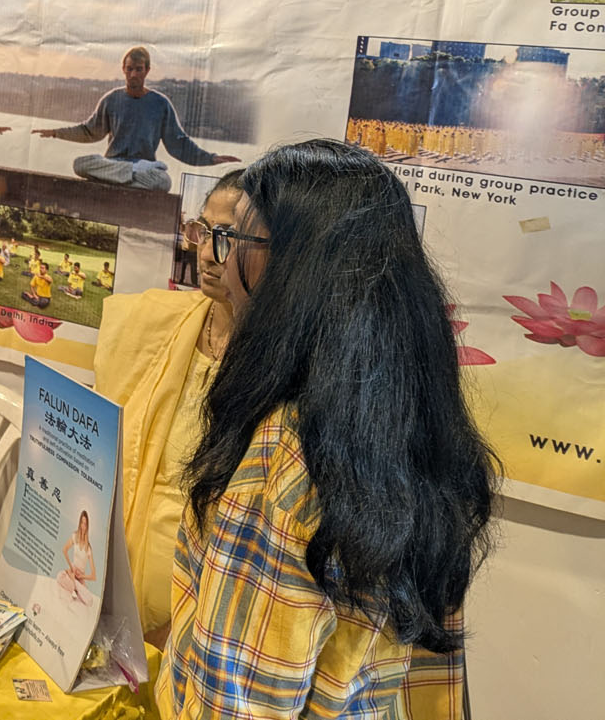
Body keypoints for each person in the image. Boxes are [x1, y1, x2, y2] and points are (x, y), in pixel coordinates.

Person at [158, 141, 496, 719]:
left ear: (296, 269)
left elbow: (233, 706)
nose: (219, 263)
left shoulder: (284, 453)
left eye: (234, 241)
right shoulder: (407, 417)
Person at [94, 171, 243, 642]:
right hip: (117, 585)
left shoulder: (271, 367)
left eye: (226, 237)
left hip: (206, 620)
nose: (206, 252)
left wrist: (181, 632)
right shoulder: (158, 322)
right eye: (203, 231)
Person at [33, 47, 238, 191]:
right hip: (115, 163)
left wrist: (211, 158)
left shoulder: (160, 104)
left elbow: (178, 144)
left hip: (143, 167)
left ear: (147, 71)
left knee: (163, 182)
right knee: (79, 164)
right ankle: (128, 173)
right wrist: (56, 133)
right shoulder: (112, 99)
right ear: (123, 69)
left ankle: (122, 176)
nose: (133, 74)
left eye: (138, 69)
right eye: (129, 68)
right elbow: (89, 131)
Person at [57, 511, 98, 605]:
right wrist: (71, 567)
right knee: (59, 576)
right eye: (82, 523)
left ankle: (75, 586)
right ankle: (76, 588)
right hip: (73, 570)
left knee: (90, 601)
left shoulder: (88, 548)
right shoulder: (75, 536)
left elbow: (93, 576)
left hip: (80, 576)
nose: (83, 526)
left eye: (85, 524)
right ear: (79, 523)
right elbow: (64, 550)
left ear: (87, 526)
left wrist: (81, 576)